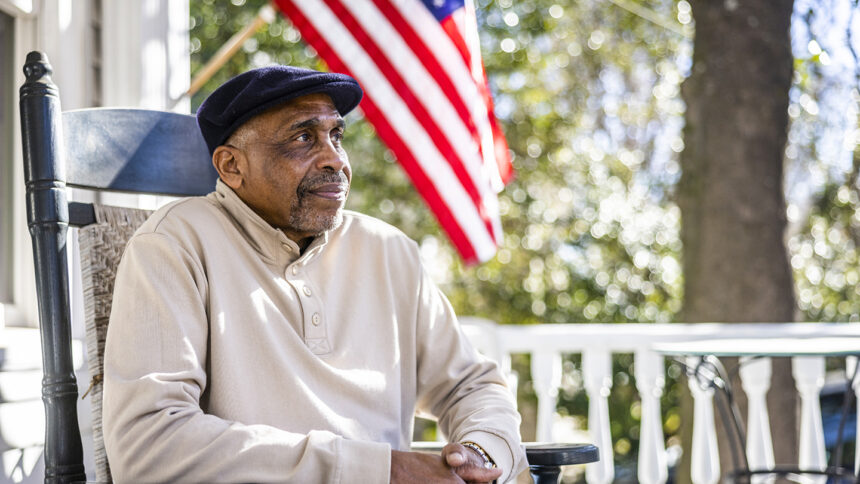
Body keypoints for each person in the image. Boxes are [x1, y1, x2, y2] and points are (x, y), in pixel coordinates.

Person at [102, 65, 527, 483]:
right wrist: (383, 471)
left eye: (336, 136)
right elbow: (150, 447)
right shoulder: (174, 245)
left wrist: (480, 452)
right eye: (303, 138)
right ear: (232, 166)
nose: (335, 160)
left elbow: (472, 386)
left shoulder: (389, 251)